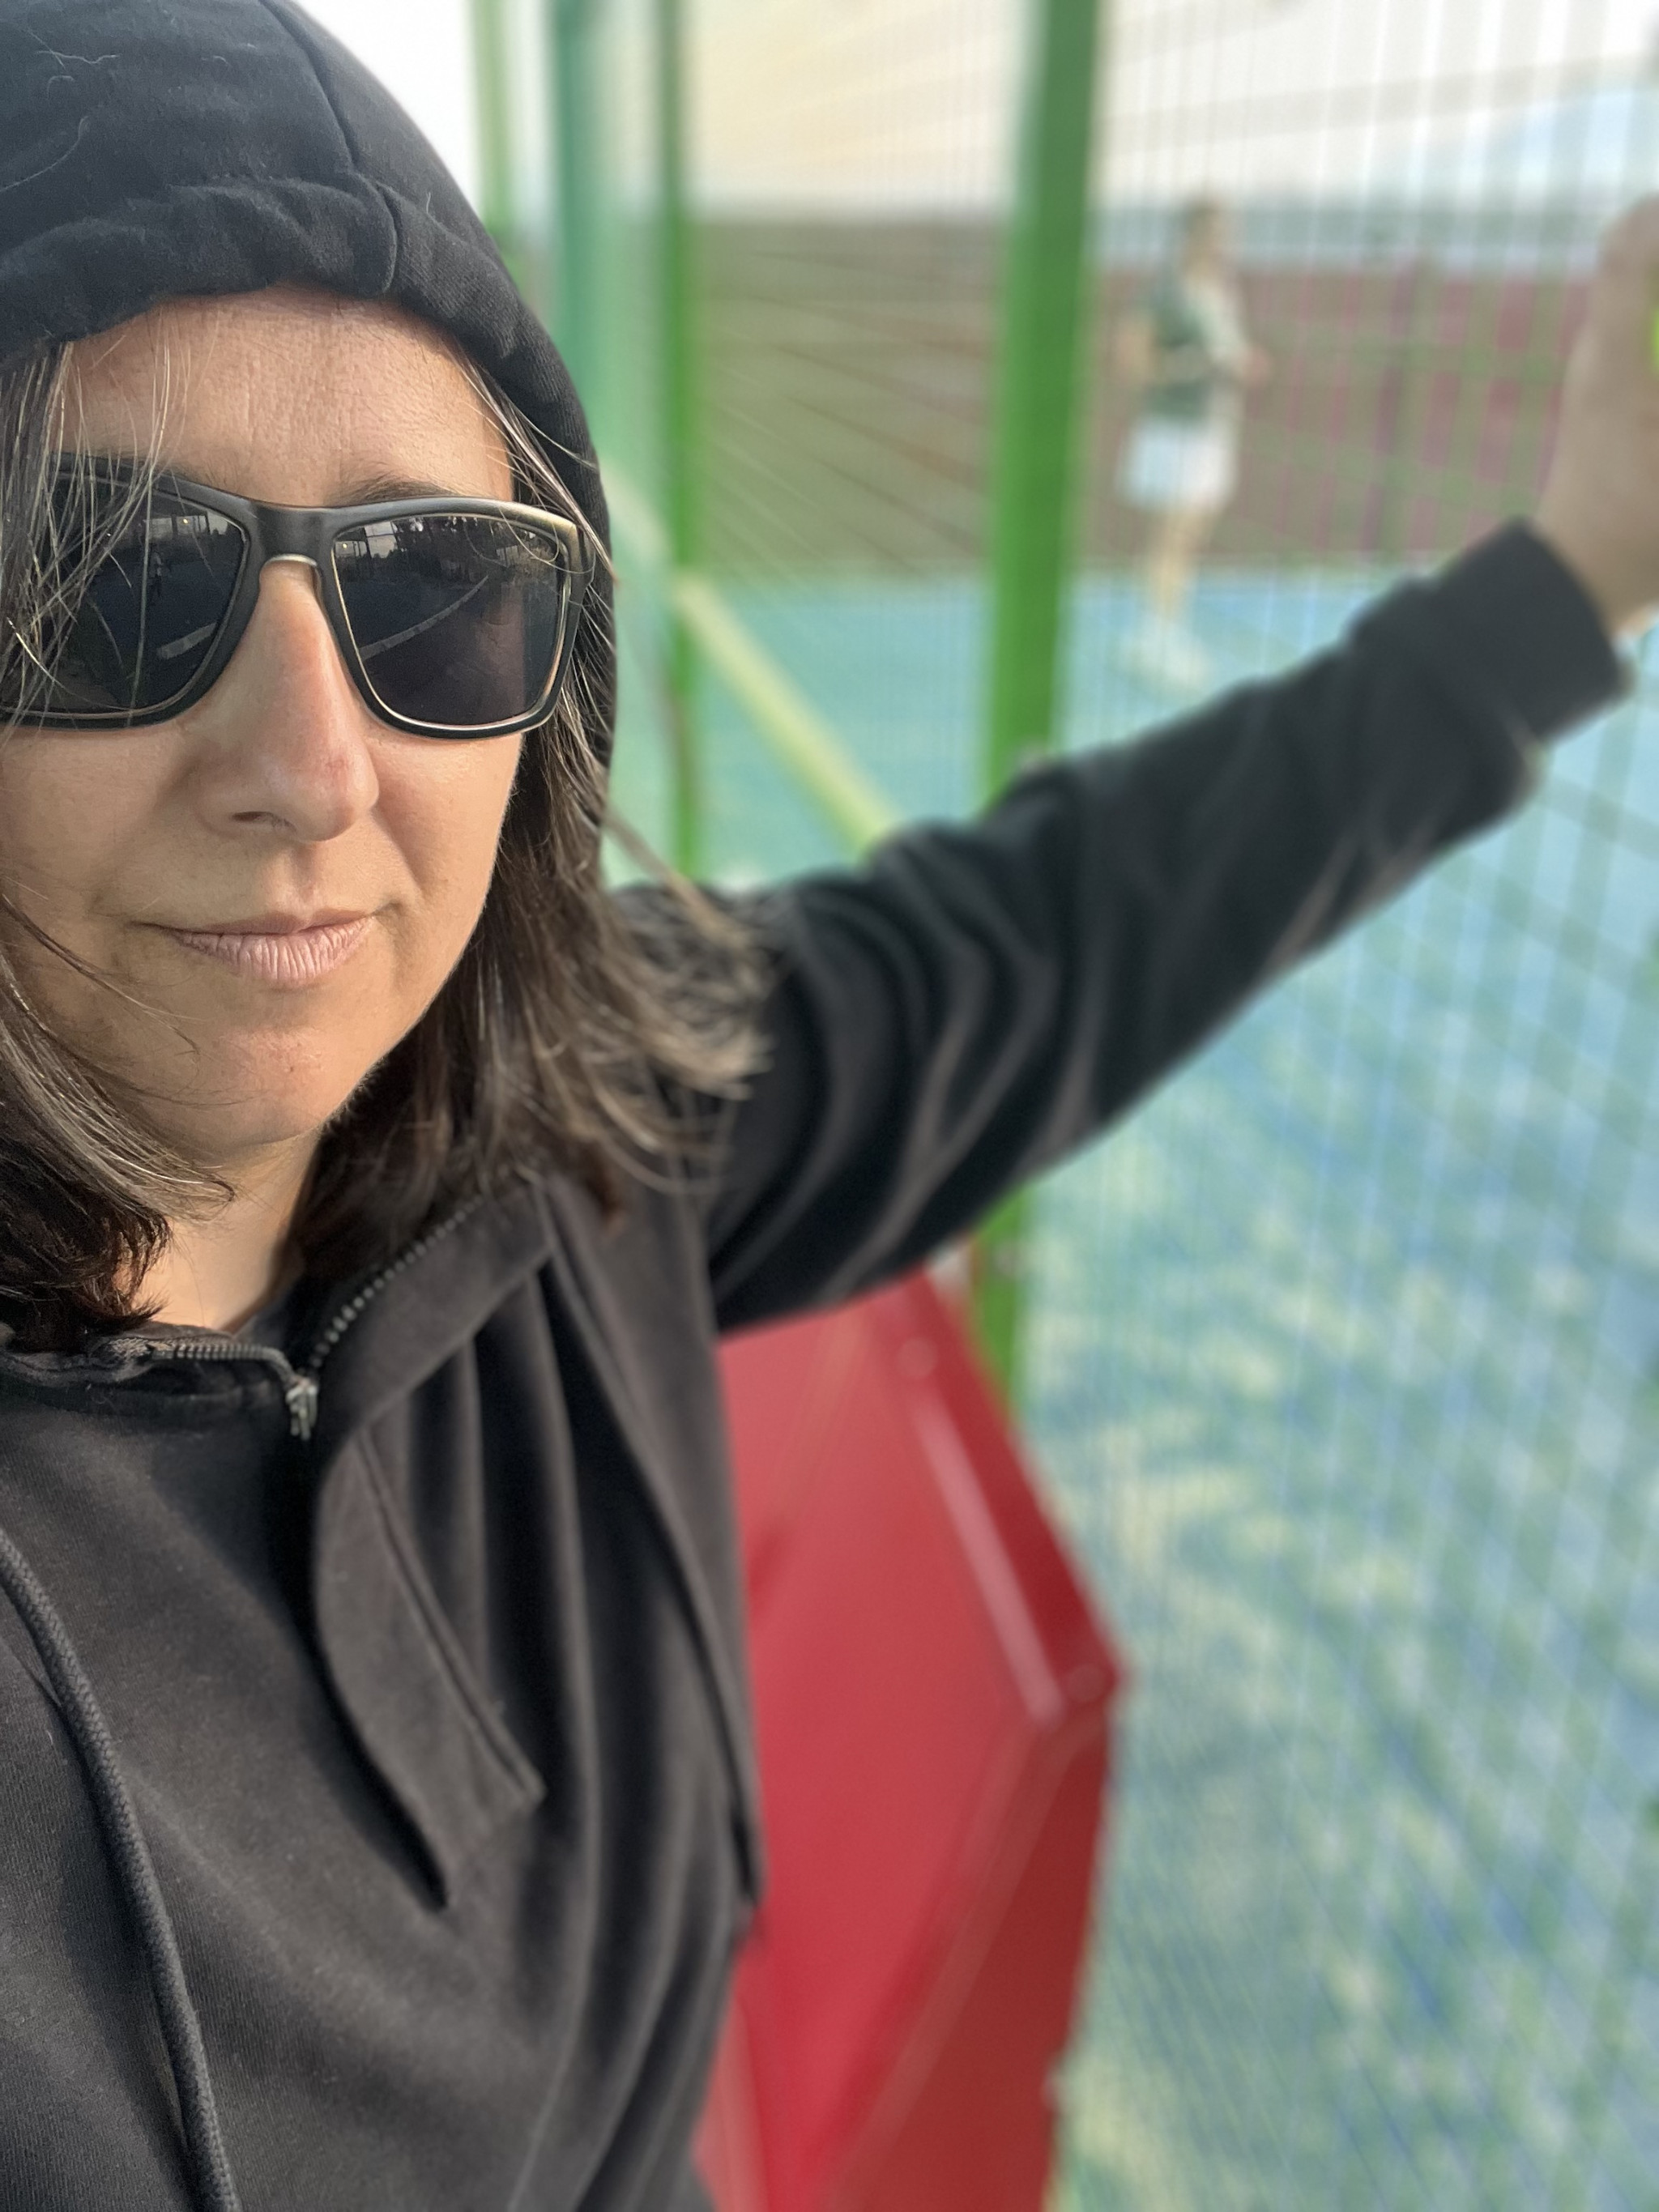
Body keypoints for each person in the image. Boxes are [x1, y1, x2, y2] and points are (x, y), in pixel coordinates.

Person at [0, 4, 1653, 2209]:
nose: (312, 768)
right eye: (118, 589)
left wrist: (1581, 564)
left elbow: (1052, 934)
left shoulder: (574, 1113)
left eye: (435, 590)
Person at [1114, 197, 1271, 693]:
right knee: (1172, 536)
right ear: (1190, 236)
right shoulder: (1165, 293)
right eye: (1214, 234)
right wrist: (1196, 366)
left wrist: (1241, 366)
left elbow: (1231, 355)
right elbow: (1133, 363)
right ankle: (1159, 638)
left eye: (1228, 234)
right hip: (1174, 433)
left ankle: (1154, 631)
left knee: (1190, 536)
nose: (1223, 244)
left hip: (1213, 430)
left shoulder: (1221, 293)